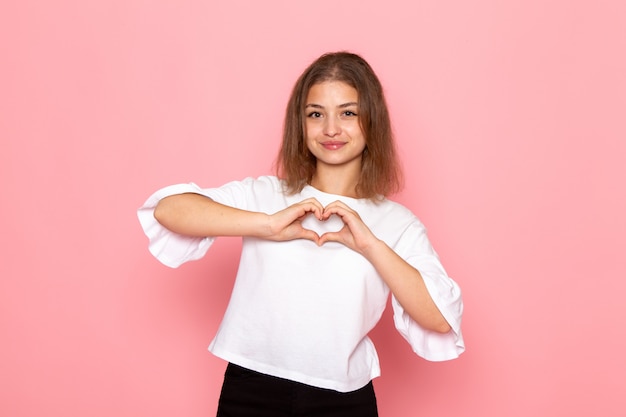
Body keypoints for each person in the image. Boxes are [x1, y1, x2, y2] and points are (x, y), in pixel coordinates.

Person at [138, 51, 464, 416]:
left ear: (372, 121)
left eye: (348, 113)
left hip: (343, 399)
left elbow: (439, 318)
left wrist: (370, 245)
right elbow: (168, 210)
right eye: (315, 114)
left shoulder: (398, 222)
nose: (330, 129)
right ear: (301, 123)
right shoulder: (264, 194)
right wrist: (267, 224)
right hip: (251, 388)